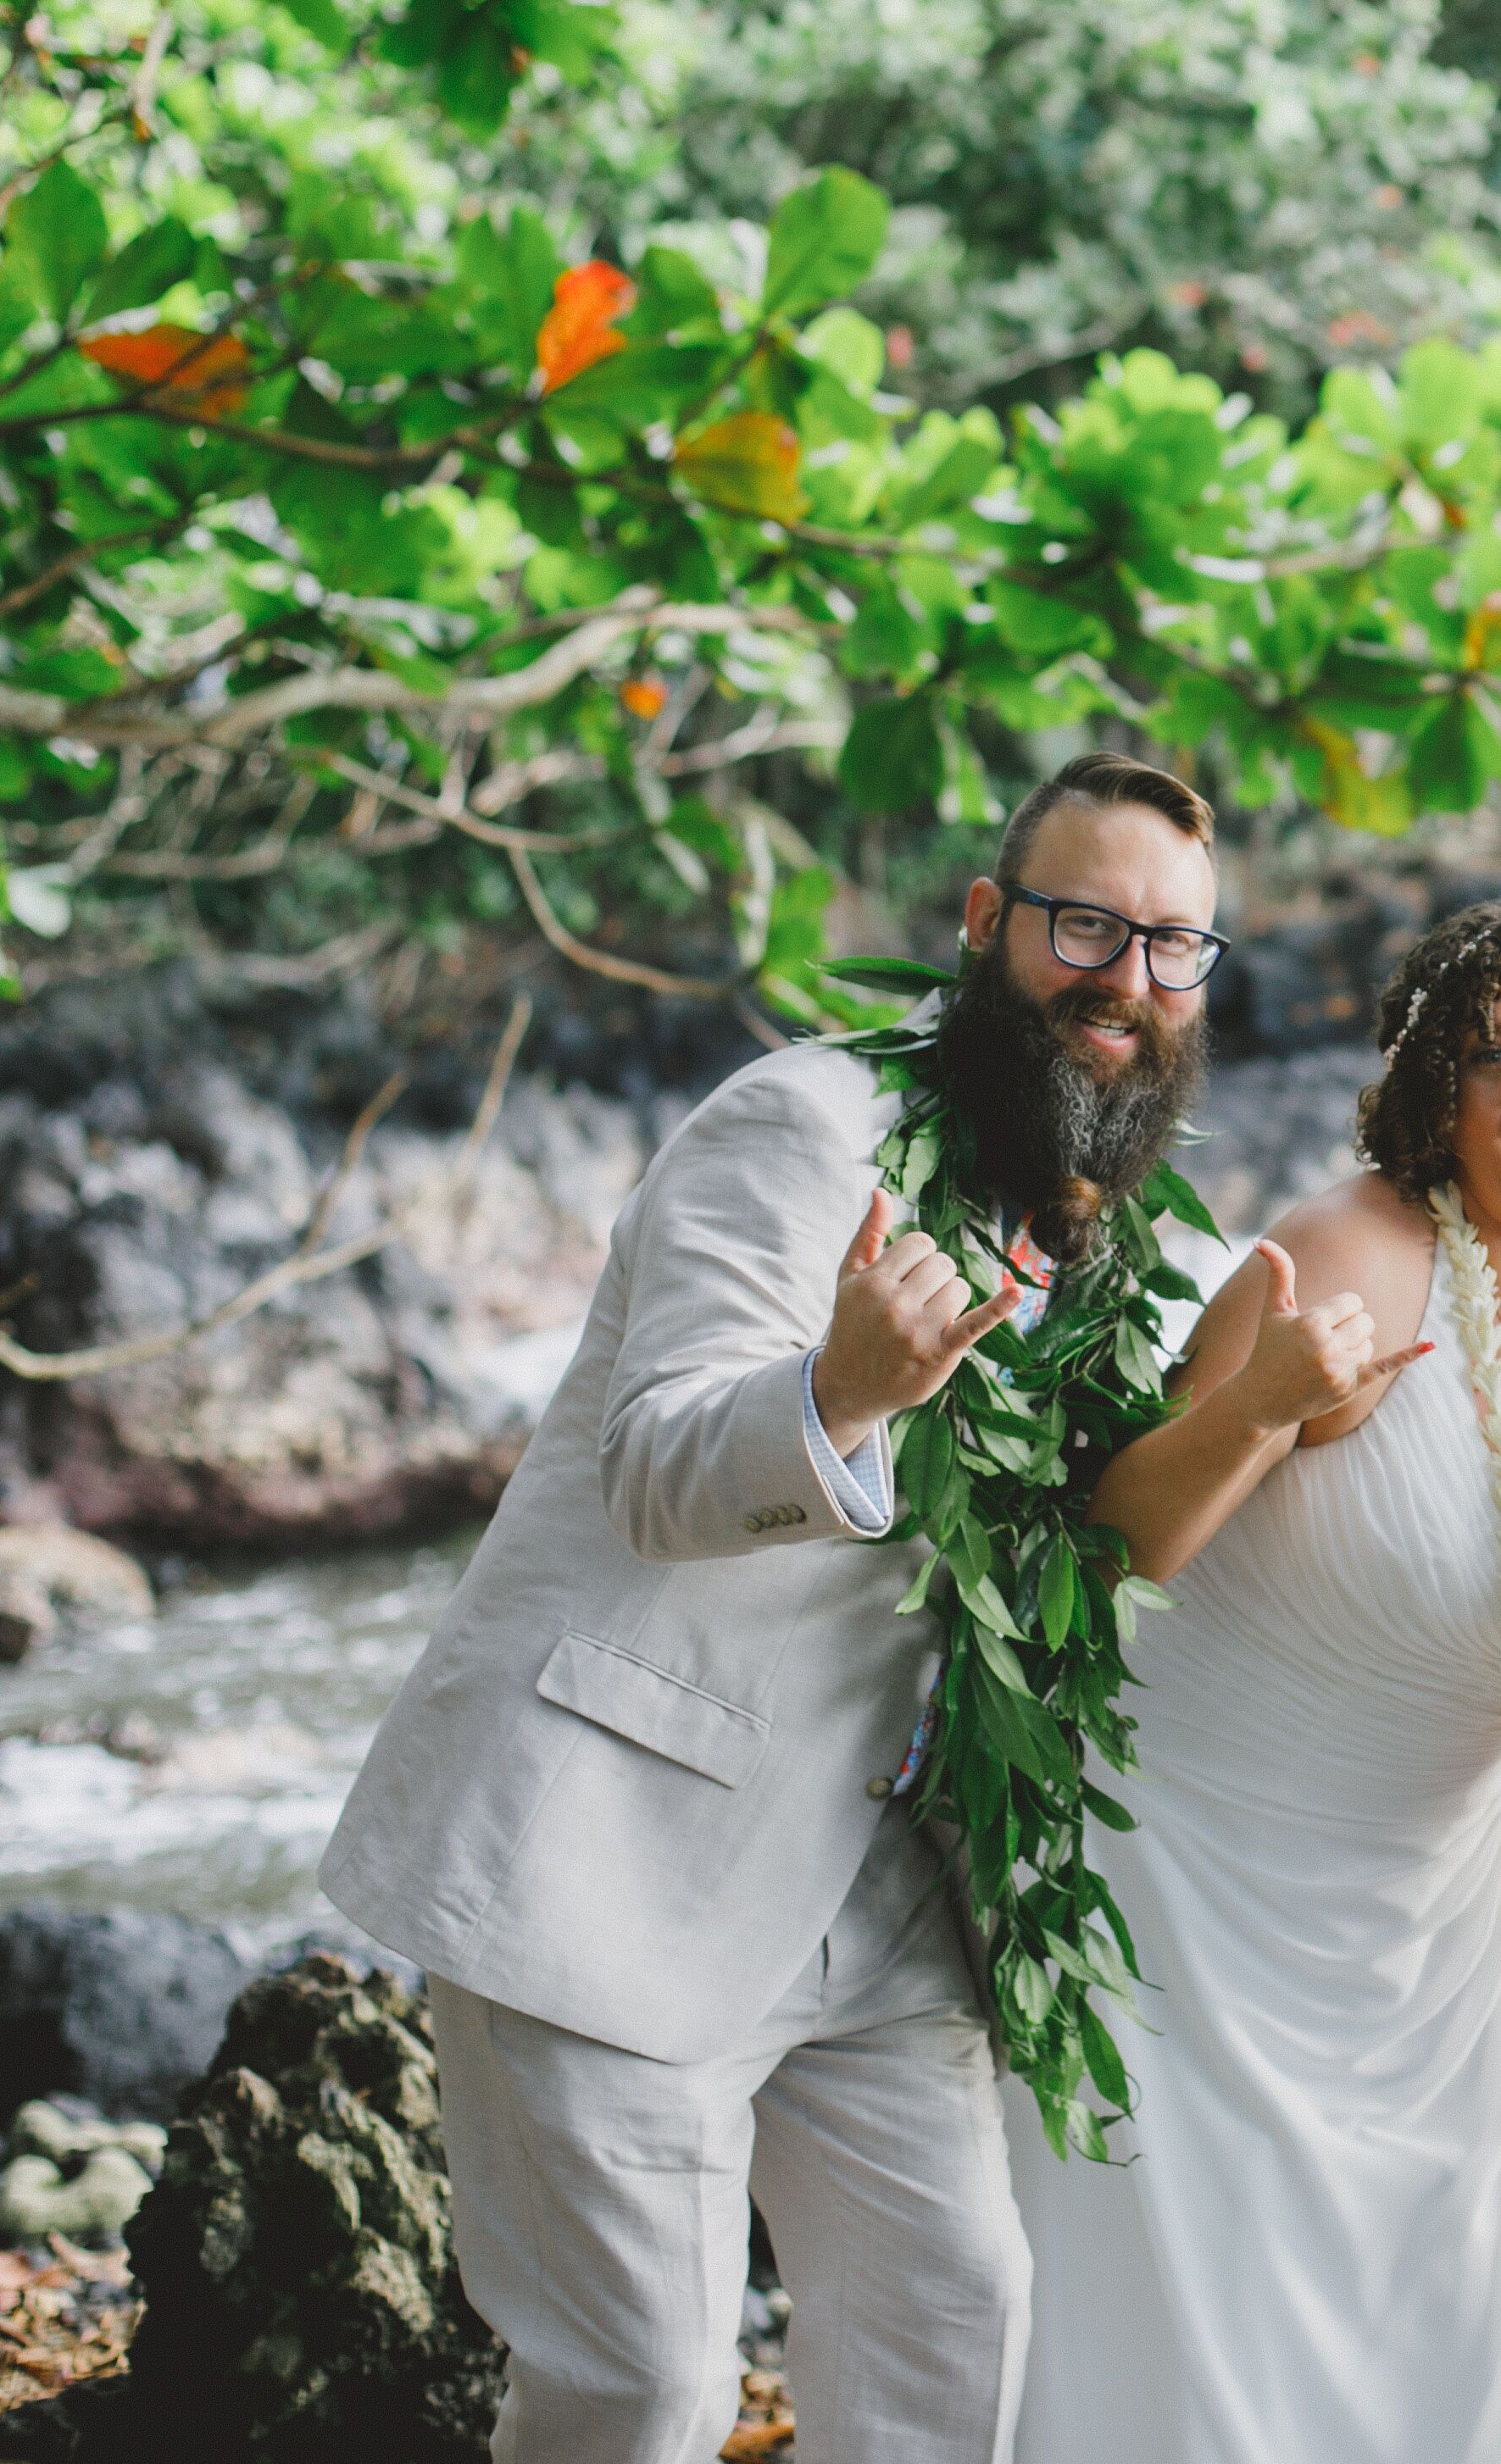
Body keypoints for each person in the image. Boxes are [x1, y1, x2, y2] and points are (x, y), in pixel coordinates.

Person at [320, 752, 1227, 2464]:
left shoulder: (1100, 1226)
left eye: (1175, 944)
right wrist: (845, 1384)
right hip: (616, 1851)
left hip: (881, 1884)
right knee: (637, 2392)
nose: (1129, 977)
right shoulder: (799, 1127)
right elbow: (659, 1467)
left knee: (960, 2333)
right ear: (985, 926)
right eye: (1087, 923)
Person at [1005, 901, 1501, 2464]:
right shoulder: (1339, 1259)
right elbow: (1104, 1557)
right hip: (1193, 1872)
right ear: (1433, 1097)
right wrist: (1272, 1405)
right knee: (1221, 2350)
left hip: (1439, 1906)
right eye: (1486, 1055)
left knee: (1472, 2323)